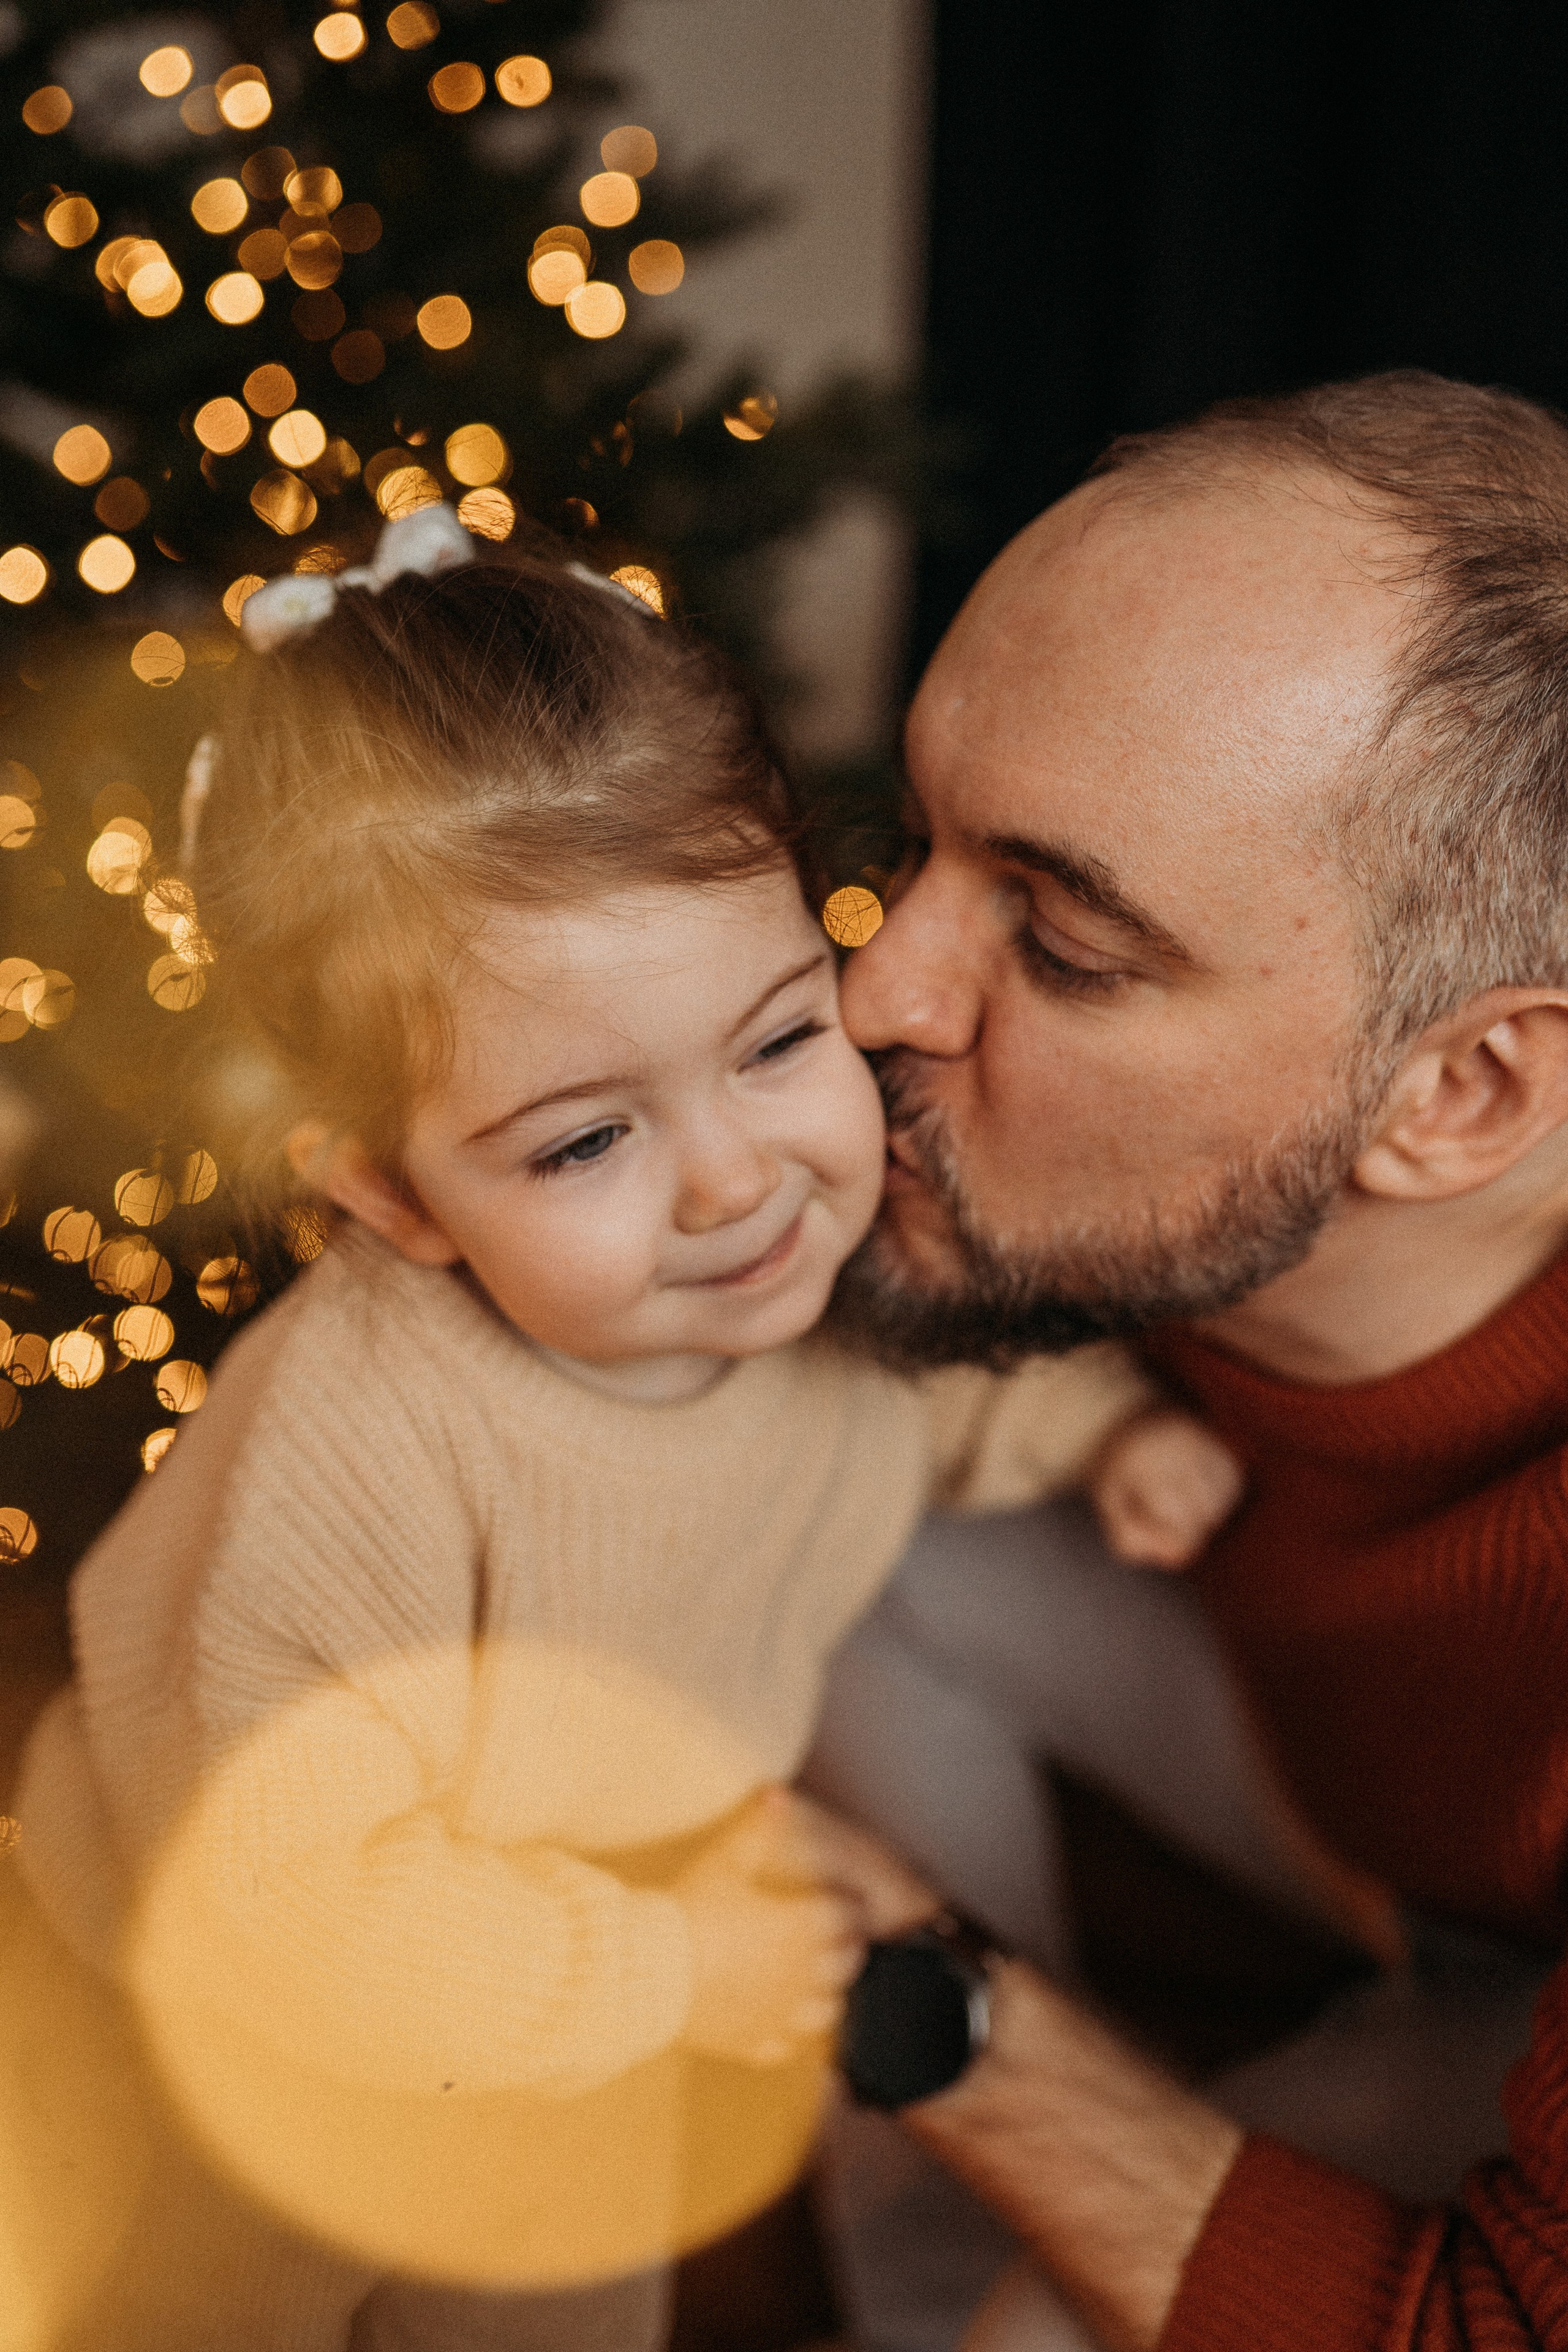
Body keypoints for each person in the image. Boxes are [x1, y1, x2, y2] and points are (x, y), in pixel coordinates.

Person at [9, 509, 1237, 2352]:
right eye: (587, 1141)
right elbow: (294, 1904)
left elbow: (940, 1377)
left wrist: (1106, 1423)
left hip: (598, 1964)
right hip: (225, 2017)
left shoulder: (822, 1254)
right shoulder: (364, 1446)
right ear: (395, 1199)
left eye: (774, 1041)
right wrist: (662, 1970)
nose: (740, 1185)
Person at [803, 369, 1568, 2352]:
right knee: (819, 1508)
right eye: (915, 838)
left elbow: (1480, 2323)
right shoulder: (1165, 1191)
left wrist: (896, 1981)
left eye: (1061, 944)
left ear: (1465, 1091)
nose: (874, 987)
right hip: (1371, 1774)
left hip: (1514, 1991)